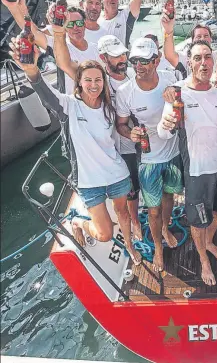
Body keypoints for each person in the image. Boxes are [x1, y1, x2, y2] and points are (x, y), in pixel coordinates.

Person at [8, 38, 142, 265]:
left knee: (124, 214)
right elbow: (45, 93)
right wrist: (32, 71)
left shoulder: (110, 108)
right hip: (90, 182)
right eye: (88, 79)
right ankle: (80, 223)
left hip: (116, 173)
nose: (93, 84)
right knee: (105, 234)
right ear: (79, 82)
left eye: (98, 80)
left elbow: (122, 125)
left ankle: (129, 245)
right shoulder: (69, 106)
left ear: (103, 82)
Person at [158, 41, 217, 286]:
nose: (203, 63)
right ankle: (203, 259)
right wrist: (168, 125)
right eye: (197, 58)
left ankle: (210, 242)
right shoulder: (177, 92)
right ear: (189, 62)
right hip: (196, 171)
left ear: (213, 61)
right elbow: (162, 131)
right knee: (196, 221)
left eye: (207, 57)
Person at [115, 38, 181, 273]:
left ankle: (165, 228)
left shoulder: (171, 78)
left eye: (144, 61)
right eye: (134, 61)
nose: (138, 66)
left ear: (156, 60)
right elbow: (120, 124)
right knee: (152, 209)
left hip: (173, 151)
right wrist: (129, 132)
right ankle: (158, 246)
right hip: (148, 156)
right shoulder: (125, 92)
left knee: (169, 196)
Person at [96, 35, 142, 241]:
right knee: (130, 188)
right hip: (117, 146)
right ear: (103, 58)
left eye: (123, 53)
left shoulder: (134, 75)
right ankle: (135, 222)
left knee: (141, 183)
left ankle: (139, 218)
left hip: (141, 142)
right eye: (116, 56)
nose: (122, 59)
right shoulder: (99, 84)